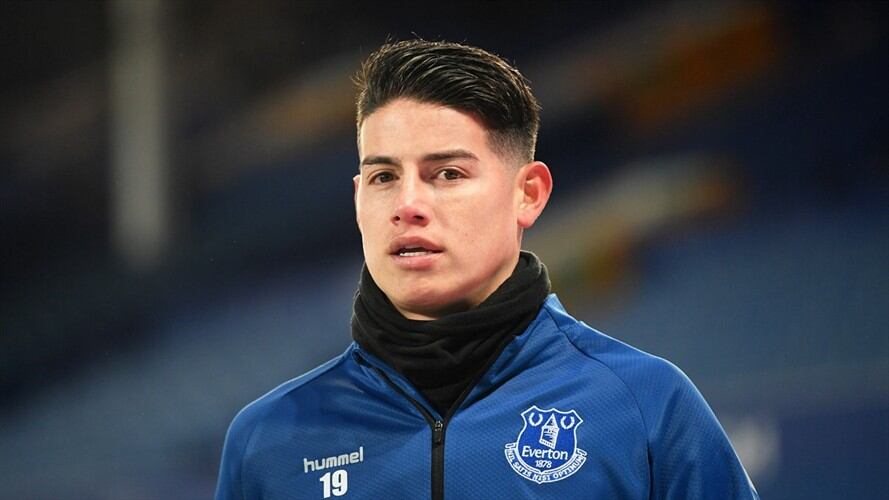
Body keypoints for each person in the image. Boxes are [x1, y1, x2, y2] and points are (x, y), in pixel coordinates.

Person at [215, 39, 759, 500]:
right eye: (383, 177)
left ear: (529, 194)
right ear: (358, 199)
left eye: (447, 174)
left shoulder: (646, 407)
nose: (408, 204)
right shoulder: (266, 442)